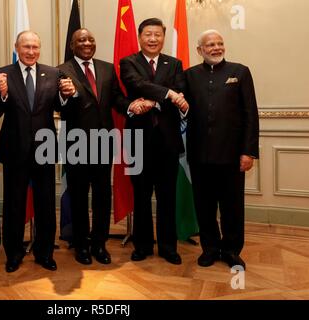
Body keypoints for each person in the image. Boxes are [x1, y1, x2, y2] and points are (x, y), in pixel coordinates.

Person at [0, 31, 75, 273]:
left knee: (46, 204)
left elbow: (62, 106)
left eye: (35, 47)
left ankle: (45, 252)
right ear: (16, 47)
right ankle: (14, 254)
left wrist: (67, 94)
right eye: (26, 47)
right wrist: (0, 93)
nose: (31, 51)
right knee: (14, 205)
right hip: (14, 149)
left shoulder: (53, 73)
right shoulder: (2, 73)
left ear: (40, 49)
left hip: (45, 148)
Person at [57, 28, 143, 265]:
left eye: (90, 39)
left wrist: (130, 106)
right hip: (77, 145)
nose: (87, 43)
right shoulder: (61, 71)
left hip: (104, 143)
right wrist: (69, 96)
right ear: (73, 45)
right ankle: (81, 246)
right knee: (79, 197)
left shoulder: (106, 68)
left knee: (103, 196)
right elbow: (59, 106)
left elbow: (115, 98)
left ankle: (99, 244)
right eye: (81, 40)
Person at [184, 30, 259, 270]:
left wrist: (248, 152)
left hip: (232, 155)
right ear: (200, 50)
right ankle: (210, 248)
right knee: (204, 206)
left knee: (232, 207)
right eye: (210, 45)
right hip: (199, 156)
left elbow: (251, 114)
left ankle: (231, 251)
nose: (216, 48)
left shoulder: (240, 72)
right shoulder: (189, 75)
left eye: (220, 43)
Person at [119, 18, 189, 264]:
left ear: (163, 37)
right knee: (141, 196)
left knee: (167, 197)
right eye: (148, 34)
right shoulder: (128, 62)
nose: (152, 39)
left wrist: (152, 100)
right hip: (138, 141)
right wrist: (167, 94)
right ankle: (143, 246)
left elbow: (179, 87)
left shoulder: (175, 63)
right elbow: (135, 83)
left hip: (168, 142)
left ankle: (169, 247)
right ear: (140, 37)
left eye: (157, 34)